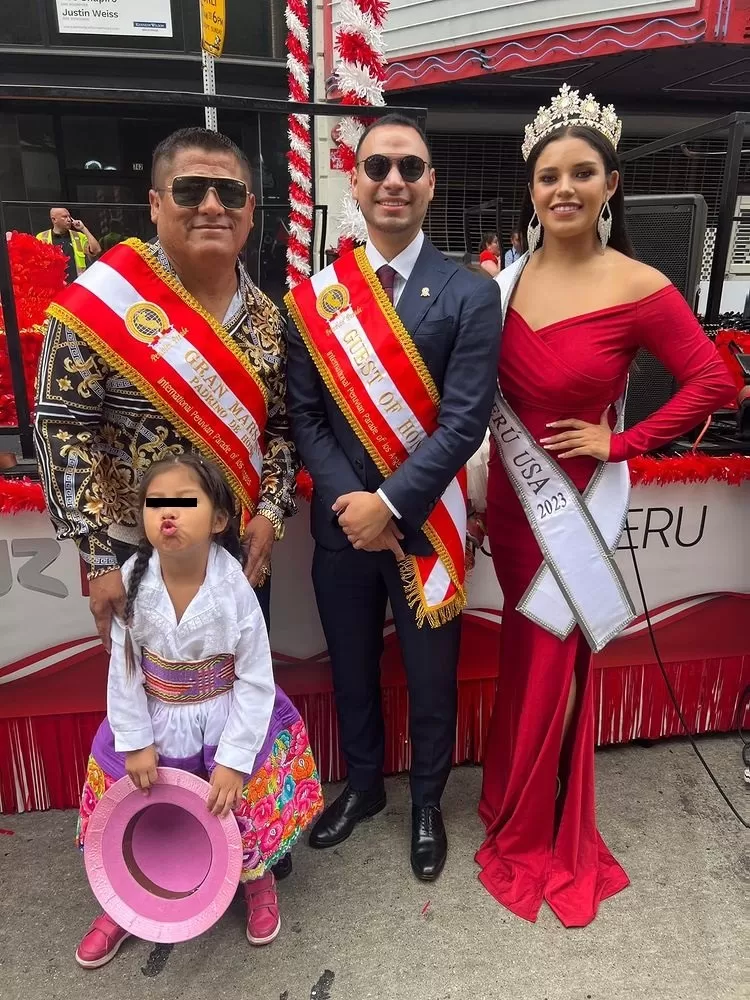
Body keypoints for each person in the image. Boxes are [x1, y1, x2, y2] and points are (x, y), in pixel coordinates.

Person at [474, 85, 736, 927]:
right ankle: (513, 802)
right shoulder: (503, 284)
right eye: (549, 175)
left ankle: (541, 827)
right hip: (514, 510)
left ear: (611, 184)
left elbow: (715, 380)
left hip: (575, 514)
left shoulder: (639, 283)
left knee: (556, 659)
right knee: (524, 656)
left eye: (581, 173)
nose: (563, 189)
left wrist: (622, 443)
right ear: (532, 188)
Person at [285, 113, 501, 881]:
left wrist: (392, 504)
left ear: (430, 184)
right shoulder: (315, 299)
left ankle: (426, 805)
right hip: (343, 527)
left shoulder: (470, 294)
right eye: (379, 167)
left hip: (427, 525)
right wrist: (355, 504)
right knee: (350, 667)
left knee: (431, 675)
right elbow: (305, 416)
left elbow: (465, 418)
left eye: (411, 168)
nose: (394, 182)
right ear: (355, 180)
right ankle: (367, 788)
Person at [34, 127, 297, 642]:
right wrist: (97, 557)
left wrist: (270, 512)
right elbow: (63, 429)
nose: (213, 206)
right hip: (136, 551)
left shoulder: (270, 319)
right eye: (190, 190)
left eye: (231, 193)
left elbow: (284, 429)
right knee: (150, 707)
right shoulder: (103, 302)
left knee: (240, 694)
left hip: (238, 544)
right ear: (155, 204)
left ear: (249, 211)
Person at [74, 454, 324, 968]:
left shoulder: (235, 587)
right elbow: (124, 671)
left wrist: (233, 757)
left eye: (184, 503)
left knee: (238, 802)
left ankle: (256, 878)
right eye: (155, 503)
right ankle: (127, 895)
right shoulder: (131, 581)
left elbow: (255, 677)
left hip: (223, 718)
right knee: (136, 805)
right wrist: (137, 742)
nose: (168, 514)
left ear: (218, 520)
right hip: (154, 720)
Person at [36, 208, 101, 283]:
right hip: (56, 288)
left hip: (77, 285)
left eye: (69, 216)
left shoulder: (78, 236)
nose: (69, 220)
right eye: (64, 217)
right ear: (54, 220)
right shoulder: (42, 237)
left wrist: (83, 229)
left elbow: (96, 250)